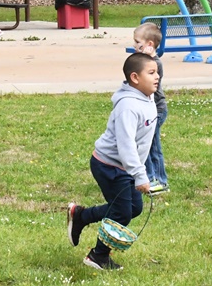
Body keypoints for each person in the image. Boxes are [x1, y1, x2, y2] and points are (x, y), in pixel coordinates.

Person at [66, 52, 159, 271]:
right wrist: (140, 175)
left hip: (125, 166)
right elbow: (126, 146)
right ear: (135, 78)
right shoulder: (128, 106)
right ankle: (98, 256)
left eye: (157, 72)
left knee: (133, 208)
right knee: (122, 212)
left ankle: (81, 216)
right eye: (152, 73)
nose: (157, 77)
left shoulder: (147, 97)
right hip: (109, 166)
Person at [134, 23, 169, 195]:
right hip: (146, 111)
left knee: (152, 146)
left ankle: (160, 181)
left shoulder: (155, 64)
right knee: (143, 145)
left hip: (157, 110)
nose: (134, 46)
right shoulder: (144, 61)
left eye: (137, 42)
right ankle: (148, 177)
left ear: (149, 45)